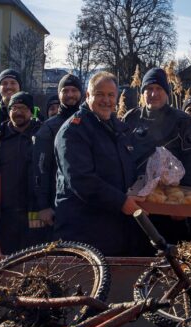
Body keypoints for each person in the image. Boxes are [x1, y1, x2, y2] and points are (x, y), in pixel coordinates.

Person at [55, 72, 142, 257]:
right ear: (88, 96)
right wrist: (121, 201)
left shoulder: (118, 128)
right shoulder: (73, 131)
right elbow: (82, 180)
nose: (106, 100)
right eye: (100, 94)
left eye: (111, 95)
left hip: (115, 228)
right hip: (85, 230)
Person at [0, 92, 47, 253]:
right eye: (14, 108)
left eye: (23, 108)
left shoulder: (43, 137)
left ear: (31, 111)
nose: (18, 112)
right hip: (4, 217)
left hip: (35, 216)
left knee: (34, 262)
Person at [123, 67, 191, 186]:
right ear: (142, 93)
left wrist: (183, 193)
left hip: (167, 192)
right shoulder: (131, 118)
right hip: (133, 190)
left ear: (167, 93)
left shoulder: (182, 120)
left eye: (159, 89)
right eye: (149, 89)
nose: (154, 94)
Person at [33, 73, 83, 240]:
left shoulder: (90, 122)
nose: (70, 94)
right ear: (59, 94)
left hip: (85, 205)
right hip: (58, 206)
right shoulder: (48, 128)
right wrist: (43, 206)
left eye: (74, 90)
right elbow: (40, 169)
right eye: (65, 90)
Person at [0, 68, 40, 134]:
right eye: (4, 83)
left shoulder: (35, 112)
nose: (9, 87)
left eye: (13, 83)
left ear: (19, 87)